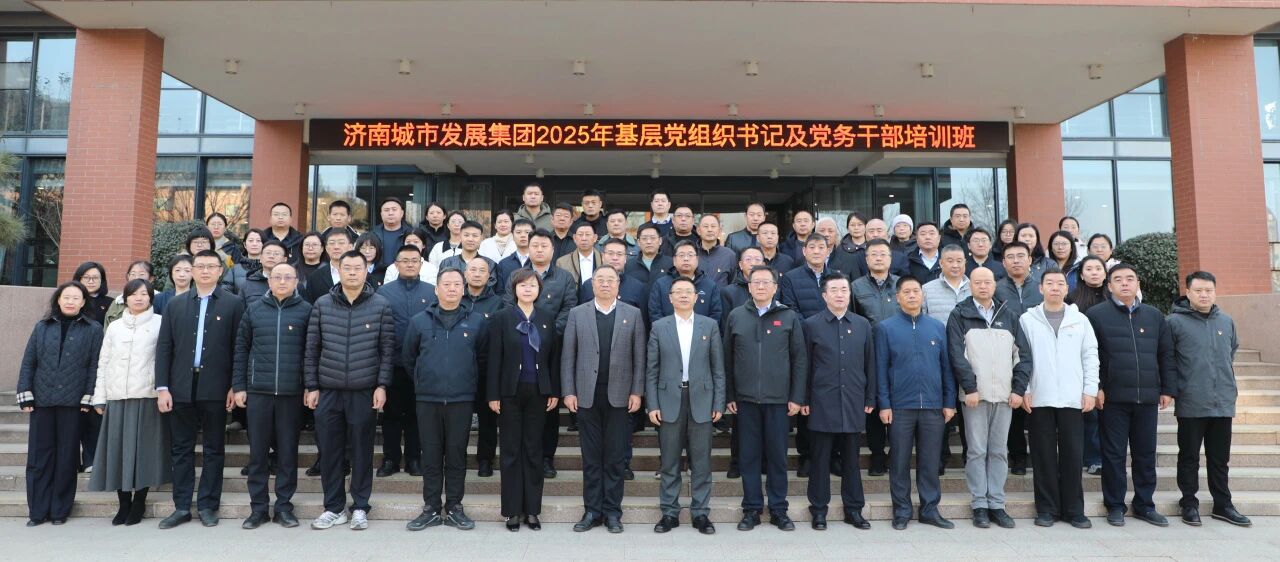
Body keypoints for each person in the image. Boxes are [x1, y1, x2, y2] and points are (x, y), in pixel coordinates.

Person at [303, 250, 395, 531]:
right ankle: (333, 507)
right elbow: (312, 348)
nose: (352, 272)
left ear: (367, 271)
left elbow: (387, 350)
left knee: (362, 451)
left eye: (358, 267)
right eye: (347, 268)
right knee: (329, 451)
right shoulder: (322, 304)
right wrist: (311, 385)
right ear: (338, 270)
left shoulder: (380, 305)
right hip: (328, 390)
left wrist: (382, 385)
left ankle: (360, 507)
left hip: (363, 390)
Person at [154, 250, 245, 529]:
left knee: (214, 449)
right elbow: (164, 347)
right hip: (180, 386)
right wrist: (162, 387)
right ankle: (181, 506)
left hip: (216, 387)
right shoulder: (176, 304)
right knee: (181, 449)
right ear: (192, 271)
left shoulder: (233, 303)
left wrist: (235, 385)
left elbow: (239, 348)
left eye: (211, 266)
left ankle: (208, 505)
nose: (205, 271)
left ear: (220, 271)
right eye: (200, 266)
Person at [1087, 264, 1175, 528]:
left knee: (1145, 454)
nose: (1124, 283)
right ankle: (1115, 505)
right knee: (1113, 455)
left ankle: (1145, 504)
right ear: (1109, 286)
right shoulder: (1096, 315)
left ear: (1138, 284)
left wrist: (1167, 388)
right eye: (1118, 279)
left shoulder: (1154, 316)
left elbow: (1165, 354)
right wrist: (1096, 386)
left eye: (1130, 279)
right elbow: (1091, 355)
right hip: (1112, 398)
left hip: (1147, 397)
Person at [402, 268, 488, 532]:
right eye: (446, 284)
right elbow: (409, 358)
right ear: (436, 289)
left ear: (463, 289)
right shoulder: (419, 321)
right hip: (427, 399)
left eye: (457, 284)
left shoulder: (476, 321)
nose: (452, 288)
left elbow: (482, 359)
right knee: (430, 454)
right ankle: (430, 507)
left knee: (456, 454)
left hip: (461, 399)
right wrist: (423, 381)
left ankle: (454, 507)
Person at [562, 266, 646, 534]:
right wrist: (569, 391)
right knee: (590, 457)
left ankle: (612, 512)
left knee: (615, 457)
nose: (606, 284)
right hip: (587, 395)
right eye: (600, 280)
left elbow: (640, 357)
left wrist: (637, 391)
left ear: (618, 284)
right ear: (592, 284)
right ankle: (592, 511)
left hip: (620, 396)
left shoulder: (632, 314)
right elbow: (568, 355)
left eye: (611, 280)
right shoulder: (578, 313)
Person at [946, 267, 1031, 530]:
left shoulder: (1009, 315)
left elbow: (1023, 356)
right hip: (975, 396)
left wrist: (1018, 390)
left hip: (1004, 396)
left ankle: (997, 503)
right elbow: (956, 355)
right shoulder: (960, 314)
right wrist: (969, 387)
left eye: (987, 282)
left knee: (998, 451)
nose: (983, 286)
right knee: (976, 451)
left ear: (994, 285)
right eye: (977, 282)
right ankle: (979, 504)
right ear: (970, 285)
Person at [723, 265, 807, 532]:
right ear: (748, 287)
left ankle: (779, 509)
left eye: (765, 282)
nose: (760, 286)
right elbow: (727, 359)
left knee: (777, 457)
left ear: (775, 287)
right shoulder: (736, 316)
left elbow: (799, 360)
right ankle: (751, 509)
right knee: (748, 457)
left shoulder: (788, 316)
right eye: (755, 282)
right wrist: (730, 394)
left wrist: (797, 397)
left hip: (778, 401)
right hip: (745, 401)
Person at [1167, 271, 1251, 527]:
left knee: (1219, 459)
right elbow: (1168, 359)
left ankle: (1223, 505)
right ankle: (1189, 503)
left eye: (1209, 290)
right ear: (1188, 292)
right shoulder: (1173, 322)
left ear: (1215, 292)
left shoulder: (1226, 321)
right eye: (1198, 290)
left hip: (1223, 401)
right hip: (1191, 401)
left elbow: (1230, 352)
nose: (1204, 295)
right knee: (1189, 457)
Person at [231, 263, 311, 529]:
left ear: (296, 281)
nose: (282, 281)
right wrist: (239, 386)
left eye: (288, 277)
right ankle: (258, 509)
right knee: (258, 454)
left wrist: (309, 386)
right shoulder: (254, 309)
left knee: (287, 454)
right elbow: (241, 349)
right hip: (259, 392)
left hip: (291, 393)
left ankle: (284, 507)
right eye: (277, 277)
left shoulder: (306, 311)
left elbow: (311, 352)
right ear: (269, 280)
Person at [18, 281, 102, 527]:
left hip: (74, 403)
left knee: (66, 458)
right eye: (66, 297)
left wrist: (89, 396)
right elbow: (29, 361)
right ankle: (37, 511)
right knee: (39, 458)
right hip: (42, 401)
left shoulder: (93, 329)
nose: (70, 301)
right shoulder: (42, 326)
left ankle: (59, 511)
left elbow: (95, 365)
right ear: (58, 300)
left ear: (83, 302)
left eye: (76, 298)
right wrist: (25, 393)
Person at [1020, 267, 1098, 529]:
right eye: (1050, 283)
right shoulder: (1027, 320)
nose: (1055, 287)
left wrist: (1090, 389)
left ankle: (1074, 510)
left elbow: (1090, 356)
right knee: (1043, 456)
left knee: (1073, 456)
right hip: (1039, 397)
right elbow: (1021, 357)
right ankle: (1046, 509)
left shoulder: (1080, 320)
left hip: (1072, 397)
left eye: (1060, 283)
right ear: (1040, 288)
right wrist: (1024, 389)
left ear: (1067, 288)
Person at [876, 276, 956, 531]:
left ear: (923, 296)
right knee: (899, 461)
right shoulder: (885, 328)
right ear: (897, 297)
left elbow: (946, 368)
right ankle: (902, 510)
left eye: (916, 291)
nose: (912, 295)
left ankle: (929, 509)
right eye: (906, 292)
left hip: (933, 405)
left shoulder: (936, 327)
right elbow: (880, 369)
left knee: (930, 461)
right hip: (900, 406)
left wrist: (949, 401)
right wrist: (884, 404)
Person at [647, 276, 725, 535]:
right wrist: (652, 404)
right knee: (669, 462)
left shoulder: (709, 325)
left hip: (702, 399)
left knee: (701, 462)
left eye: (688, 292)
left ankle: (700, 513)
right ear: (670, 298)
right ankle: (669, 512)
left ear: (696, 297)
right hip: (669, 399)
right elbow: (651, 370)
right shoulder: (659, 326)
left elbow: (718, 369)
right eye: (677, 292)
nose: (683, 295)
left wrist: (719, 401)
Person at [89, 279, 168, 527]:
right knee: (117, 452)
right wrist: (99, 396)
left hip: (146, 396)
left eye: (144, 294)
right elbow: (104, 362)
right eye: (133, 294)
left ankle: (139, 501)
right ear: (125, 298)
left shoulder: (160, 323)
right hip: (117, 397)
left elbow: (166, 359)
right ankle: (123, 502)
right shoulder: (114, 327)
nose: (139, 298)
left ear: (151, 298)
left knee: (144, 452)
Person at [487, 269, 560, 531]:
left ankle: (532, 511)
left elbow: (554, 358)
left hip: (538, 392)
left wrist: (554, 390)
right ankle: (512, 511)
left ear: (539, 290)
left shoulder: (546, 318)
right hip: (510, 392)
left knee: (533, 450)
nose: (527, 289)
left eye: (532, 285)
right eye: (522, 285)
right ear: (514, 289)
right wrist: (493, 394)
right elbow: (494, 358)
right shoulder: (501, 318)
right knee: (510, 451)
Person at [801, 274, 874, 531]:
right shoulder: (811, 325)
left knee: (852, 460)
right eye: (834, 290)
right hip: (822, 401)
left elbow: (870, 363)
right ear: (824, 295)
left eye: (844, 289)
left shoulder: (863, 325)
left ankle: (853, 510)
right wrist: (804, 398)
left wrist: (870, 396)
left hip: (853, 400)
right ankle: (819, 510)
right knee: (820, 459)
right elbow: (805, 365)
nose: (840, 294)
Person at [510, 230, 578, 478]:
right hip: (519, 349)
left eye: (544, 246)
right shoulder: (516, 275)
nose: (539, 250)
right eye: (535, 245)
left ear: (552, 249)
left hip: (552, 349)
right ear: (527, 248)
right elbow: (508, 305)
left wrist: (545, 332)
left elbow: (569, 308)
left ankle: (547, 458)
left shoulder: (564, 277)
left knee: (549, 406)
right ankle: (521, 456)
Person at [375, 245, 439, 479]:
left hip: (422, 364)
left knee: (416, 414)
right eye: (405, 260)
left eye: (414, 260)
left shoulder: (432, 292)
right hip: (392, 363)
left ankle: (414, 458)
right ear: (396, 264)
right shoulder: (383, 293)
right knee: (391, 414)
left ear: (421, 264)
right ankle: (390, 459)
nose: (410, 264)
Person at [851, 239, 900, 475]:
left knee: (898, 405)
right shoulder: (856, 287)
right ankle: (877, 455)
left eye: (883, 254)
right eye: (874, 254)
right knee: (874, 405)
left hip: (899, 353)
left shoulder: (901, 284)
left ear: (890, 258)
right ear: (866, 259)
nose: (878, 258)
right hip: (868, 354)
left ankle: (896, 454)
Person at [994, 241, 1042, 475]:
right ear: (1003, 263)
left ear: (1030, 260)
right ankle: (1018, 457)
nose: (1016, 261)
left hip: (1041, 355)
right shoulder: (997, 289)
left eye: (1021, 256)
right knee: (1013, 409)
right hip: (1008, 355)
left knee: (1037, 408)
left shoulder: (1041, 287)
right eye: (1010, 257)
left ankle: (1040, 457)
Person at [922, 244, 971, 471]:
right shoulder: (927, 289)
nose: (955, 265)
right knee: (940, 410)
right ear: (940, 263)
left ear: (965, 263)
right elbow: (922, 322)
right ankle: (940, 458)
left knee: (969, 411)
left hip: (970, 359)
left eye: (959, 261)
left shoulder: (975, 286)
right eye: (949, 260)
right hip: (938, 359)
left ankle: (970, 457)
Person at [1067, 255, 1109, 475]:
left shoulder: (1113, 296)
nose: (1094, 272)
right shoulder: (1072, 299)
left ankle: (1109, 456)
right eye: (1089, 269)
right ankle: (1093, 458)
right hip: (1082, 360)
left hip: (1111, 359)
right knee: (1090, 413)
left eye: (1098, 268)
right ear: (1081, 275)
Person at [464, 257, 504, 478]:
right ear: (465, 273)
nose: (477, 274)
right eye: (473, 269)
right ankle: (456, 456)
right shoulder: (456, 298)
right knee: (459, 417)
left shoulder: (498, 303)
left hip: (487, 369)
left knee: (488, 418)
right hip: (460, 369)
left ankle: (485, 459)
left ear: (489, 276)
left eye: (482, 270)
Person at [647, 241, 723, 324]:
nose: (686, 258)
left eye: (690, 255)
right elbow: (655, 314)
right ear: (674, 260)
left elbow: (715, 314)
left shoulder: (709, 285)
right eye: (681, 255)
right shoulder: (661, 285)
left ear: (697, 259)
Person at [305, 229, 355, 304]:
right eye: (332, 243)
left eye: (341, 243)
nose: (336, 247)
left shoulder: (363, 275)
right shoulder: (314, 277)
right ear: (326, 248)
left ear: (350, 247)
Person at [104, 260, 154, 328]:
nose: (136, 278)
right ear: (128, 276)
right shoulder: (117, 302)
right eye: (133, 274)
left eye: (141, 274)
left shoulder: (158, 300)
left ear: (151, 278)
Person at [624, 223, 673, 289]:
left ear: (660, 241)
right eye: (644, 238)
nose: (649, 242)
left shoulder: (671, 263)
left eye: (653, 238)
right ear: (638, 242)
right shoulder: (628, 265)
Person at [239, 241, 288, 307]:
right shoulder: (247, 285)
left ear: (284, 260)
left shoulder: (293, 284)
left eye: (276, 254)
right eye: (268, 253)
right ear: (261, 258)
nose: (271, 256)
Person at [693, 214, 737, 287]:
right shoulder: (692, 254)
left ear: (720, 230)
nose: (709, 230)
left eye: (713, 226)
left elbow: (733, 284)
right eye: (706, 226)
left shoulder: (729, 255)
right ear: (698, 230)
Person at [495, 218, 536, 294]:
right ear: (512, 235)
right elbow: (500, 292)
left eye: (527, 232)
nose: (523, 235)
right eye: (518, 232)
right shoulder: (503, 264)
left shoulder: (540, 261)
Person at [370, 198, 412, 269]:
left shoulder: (411, 234)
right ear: (381, 214)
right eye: (386, 210)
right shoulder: (373, 234)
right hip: (377, 273)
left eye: (394, 209)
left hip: (404, 272)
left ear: (402, 213)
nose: (390, 213)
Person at [224, 229, 264, 295]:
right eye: (251, 241)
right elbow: (225, 290)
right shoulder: (234, 269)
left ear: (263, 244)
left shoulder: (270, 267)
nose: (254, 244)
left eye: (258, 241)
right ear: (245, 245)